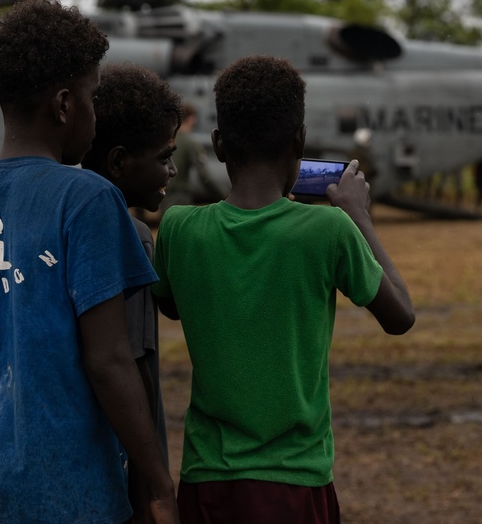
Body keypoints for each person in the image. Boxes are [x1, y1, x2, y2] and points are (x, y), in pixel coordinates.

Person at [0, 0, 179, 524]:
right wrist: (158, 486)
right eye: (91, 97)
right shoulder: (87, 198)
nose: (94, 112)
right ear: (65, 104)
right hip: (62, 487)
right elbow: (109, 361)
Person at [151, 55, 414, 523]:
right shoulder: (327, 229)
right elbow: (401, 317)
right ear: (300, 140)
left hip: (207, 479)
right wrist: (360, 217)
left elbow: (170, 306)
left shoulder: (178, 228)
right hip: (295, 480)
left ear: (218, 145)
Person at [79, 62, 182, 521]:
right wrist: (154, 489)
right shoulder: (131, 235)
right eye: (164, 157)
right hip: (114, 473)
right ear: (119, 162)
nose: (173, 169)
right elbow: (131, 371)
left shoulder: (65, 216)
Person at [162, 103, 225, 213]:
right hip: (180, 199)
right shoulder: (190, 143)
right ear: (191, 119)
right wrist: (223, 195)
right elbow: (204, 175)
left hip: (164, 198)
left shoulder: (166, 141)